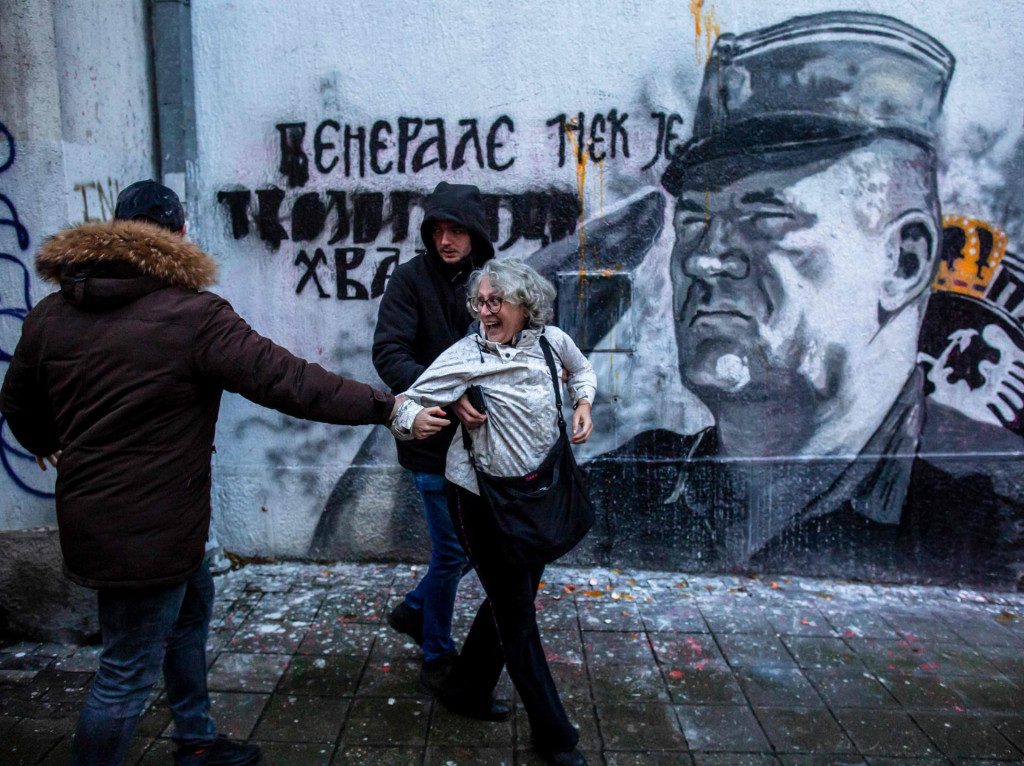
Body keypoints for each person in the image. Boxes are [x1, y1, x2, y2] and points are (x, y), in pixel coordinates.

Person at [593, 11, 1024, 585]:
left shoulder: (993, 512)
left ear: (905, 261)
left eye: (766, 215)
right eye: (694, 220)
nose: (704, 256)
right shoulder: (620, 490)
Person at [0, 180, 409, 766]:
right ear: (180, 236)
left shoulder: (51, 314)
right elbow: (290, 382)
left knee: (192, 608)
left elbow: (17, 403)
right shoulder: (194, 316)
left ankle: (194, 737)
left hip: (130, 518)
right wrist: (385, 407)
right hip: (150, 531)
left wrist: (43, 440)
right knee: (122, 675)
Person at [390, 259, 596, 766]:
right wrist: (417, 419)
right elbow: (404, 403)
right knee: (519, 619)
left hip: (540, 496)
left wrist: (583, 402)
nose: (484, 311)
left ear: (525, 305)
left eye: (494, 302)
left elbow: (582, 369)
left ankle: (465, 688)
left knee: (511, 602)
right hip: (482, 503)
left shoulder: (551, 341)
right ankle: (555, 735)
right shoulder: (465, 356)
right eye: (479, 302)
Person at [372, 181, 495, 691]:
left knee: (468, 550)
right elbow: (389, 354)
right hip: (431, 438)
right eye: (437, 230)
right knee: (452, 553)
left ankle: (415, 609)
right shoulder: (409, 281)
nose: (445, 240)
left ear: (475, 235)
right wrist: (446, 396)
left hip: (484, 443)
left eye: (456, 230)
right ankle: (436, 655)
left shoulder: (492, 281)